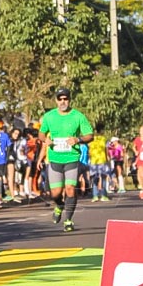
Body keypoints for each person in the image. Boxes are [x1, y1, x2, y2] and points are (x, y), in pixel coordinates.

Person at [37, 88, 94, 232]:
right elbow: (41, 134)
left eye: (65, 99)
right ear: (56, 100)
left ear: (69, 100)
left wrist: (78, 139)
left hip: (72, 158)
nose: (63, 102)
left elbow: (90, 135)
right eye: (60, 99)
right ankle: (59, 205)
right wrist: (47, 139)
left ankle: (68, 220)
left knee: (70, 189)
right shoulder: (49, 116)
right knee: (55, 193)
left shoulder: (78, 116)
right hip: (55, 159)